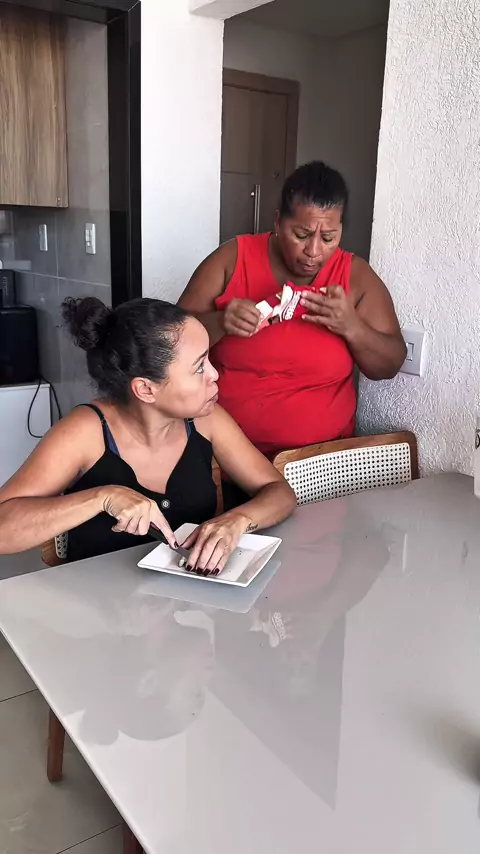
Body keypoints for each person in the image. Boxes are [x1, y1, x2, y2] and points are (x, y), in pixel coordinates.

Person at [0, 297, 296, 574]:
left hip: (189, 603)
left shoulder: (207, 420)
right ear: (145, 389)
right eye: (199, 368)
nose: (214, 374)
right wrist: (102, 497)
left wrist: (237, 521)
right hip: (97, 601)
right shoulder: (85, 432)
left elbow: (278, 491)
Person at [178, 161, 406, 508]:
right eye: (301, 234)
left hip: (323, 469)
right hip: (228, 464)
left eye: (328, 238)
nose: (313, 251)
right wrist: (221, 321)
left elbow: (389, 365)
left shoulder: (355, 277)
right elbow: (171, 341)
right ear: (277, 222)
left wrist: (352, 327)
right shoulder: (233, 259)